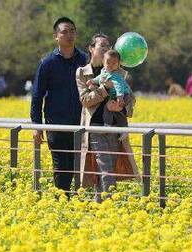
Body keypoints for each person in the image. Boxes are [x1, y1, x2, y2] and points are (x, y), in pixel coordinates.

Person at [76, 34, 140, 203]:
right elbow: (85, 100)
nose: (106, 48)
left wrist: (120, 104)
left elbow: (130, 99)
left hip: (114, 126)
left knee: (107, 168)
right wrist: (104, 88)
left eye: (108, 45)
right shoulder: (83, 73)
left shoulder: (118, 71)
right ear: (91, 49)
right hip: (96, 128)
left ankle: (101, 206)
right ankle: (110, 205)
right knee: (105, 169)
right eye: (102, 45)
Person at [30, 17, 88, 193]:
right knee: (62, 170)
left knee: (81, 169)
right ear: (56, 36)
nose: (69, 35)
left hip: (82, 125)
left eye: (72, 31)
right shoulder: (47, 63)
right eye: (64, 31)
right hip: (57, 125)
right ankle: (62, 203)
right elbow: (37, 96)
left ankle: (77, 206)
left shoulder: (85, 60)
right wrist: (37, 125)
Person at [86, 49, 132, 137]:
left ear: (118, 64)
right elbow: (99, 78)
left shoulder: (116, 75)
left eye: (114, 63)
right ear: (103, 62)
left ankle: (120, 128)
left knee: (118, 111)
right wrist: (92, 81)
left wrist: (120, 97)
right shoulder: (104, 72)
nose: (111, 65)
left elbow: (119, 86)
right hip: (115, 96)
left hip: (123, 95)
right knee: (110, 109)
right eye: (108, 62)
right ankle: (109, 125)